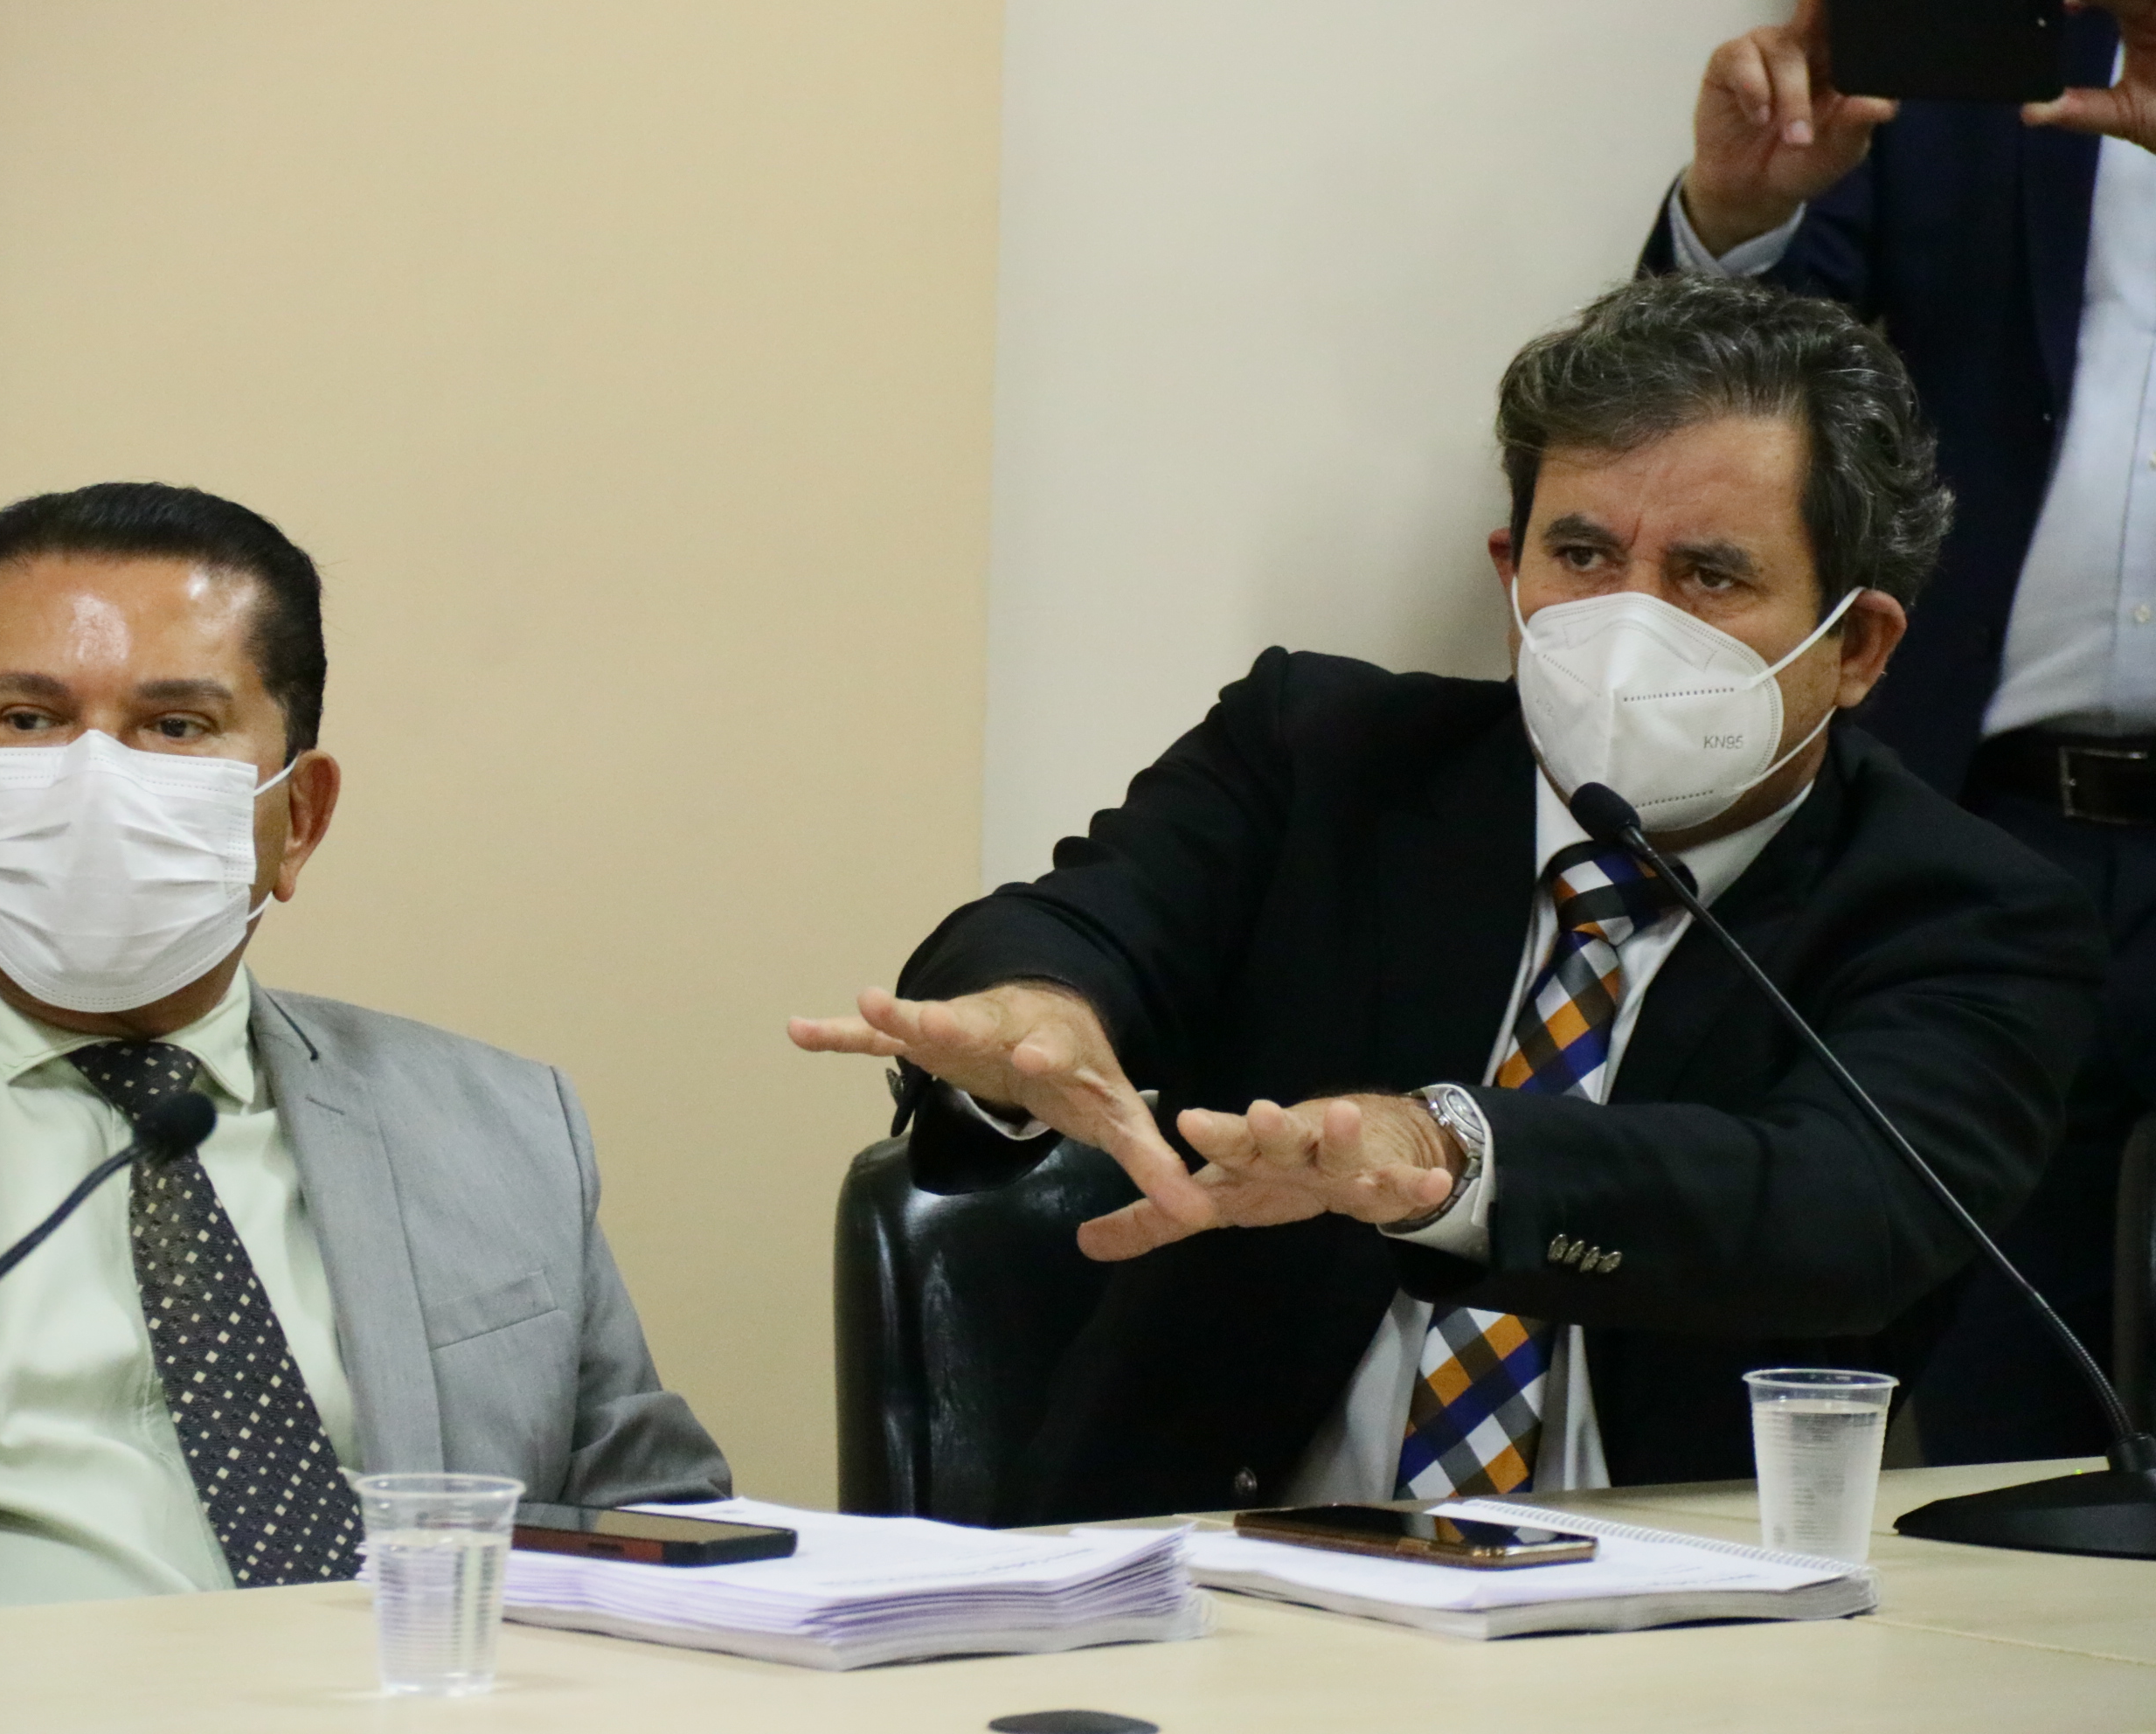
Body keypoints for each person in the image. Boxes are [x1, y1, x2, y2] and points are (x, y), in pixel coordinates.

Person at [791, 275, 2104, 1525]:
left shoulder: (1968, 912)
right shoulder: (1320, 754)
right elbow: (1084, 920)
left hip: (1686, 1609)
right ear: (1508, 568)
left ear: (1858, 644)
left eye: (1709, 575)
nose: (1627, 624)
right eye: (1581, 554)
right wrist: (1035, 1007)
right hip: (1212, 1572)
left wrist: (1451, 1155)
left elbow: (1841, 1211)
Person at [0, 482, 726, 1634]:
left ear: (300, 819)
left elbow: (657, 1518)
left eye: (176, 726)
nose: (95, 777)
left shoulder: (503, 1125)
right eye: (31, 720)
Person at [1643, 0, 2156, 1462]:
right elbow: (1720, 414)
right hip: (2000, 846)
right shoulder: (1975, 90)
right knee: (2003, 1402)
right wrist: (1736, 219)